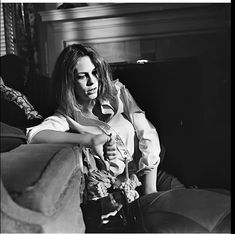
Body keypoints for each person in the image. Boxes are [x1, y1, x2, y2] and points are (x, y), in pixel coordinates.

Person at [26, 44, 184, 232]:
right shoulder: (66, 115)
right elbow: (34, 135)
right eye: (82, 76)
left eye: (95, 72)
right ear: (69, 81)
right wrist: (89, 141)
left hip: (153, 176)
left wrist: (150, 190)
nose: (92, 81)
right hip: (119, 195)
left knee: (195, 211)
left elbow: (147, 133)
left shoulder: (117, 93)